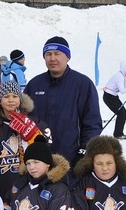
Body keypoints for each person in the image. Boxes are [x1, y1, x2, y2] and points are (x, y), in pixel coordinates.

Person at [25, 36, 102, 166]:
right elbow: (23, 118)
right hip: (39, 160)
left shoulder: (82, 84)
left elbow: (92, 123)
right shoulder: (35, 84)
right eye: (48, 54)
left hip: (72, 159)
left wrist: (84, 150)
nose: (52, 58)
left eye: (57, 53)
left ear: (68, 57)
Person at [0, 80, 51, 203]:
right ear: (0, 100)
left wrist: (31, 135)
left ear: (20, 99)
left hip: (28, 188)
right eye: (6, 96)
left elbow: (46, 154)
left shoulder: (35, 123)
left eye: (15, 96)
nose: (11, 100)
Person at [102, 61, 126, 139]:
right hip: (109, 97)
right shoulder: (119, 77)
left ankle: (118, 133)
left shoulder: (123, 77)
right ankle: (118, 134)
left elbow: (125, 87)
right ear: (125, 69)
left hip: (113, 97)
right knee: (122, 113)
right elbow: (122, 90)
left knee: (122, 113)